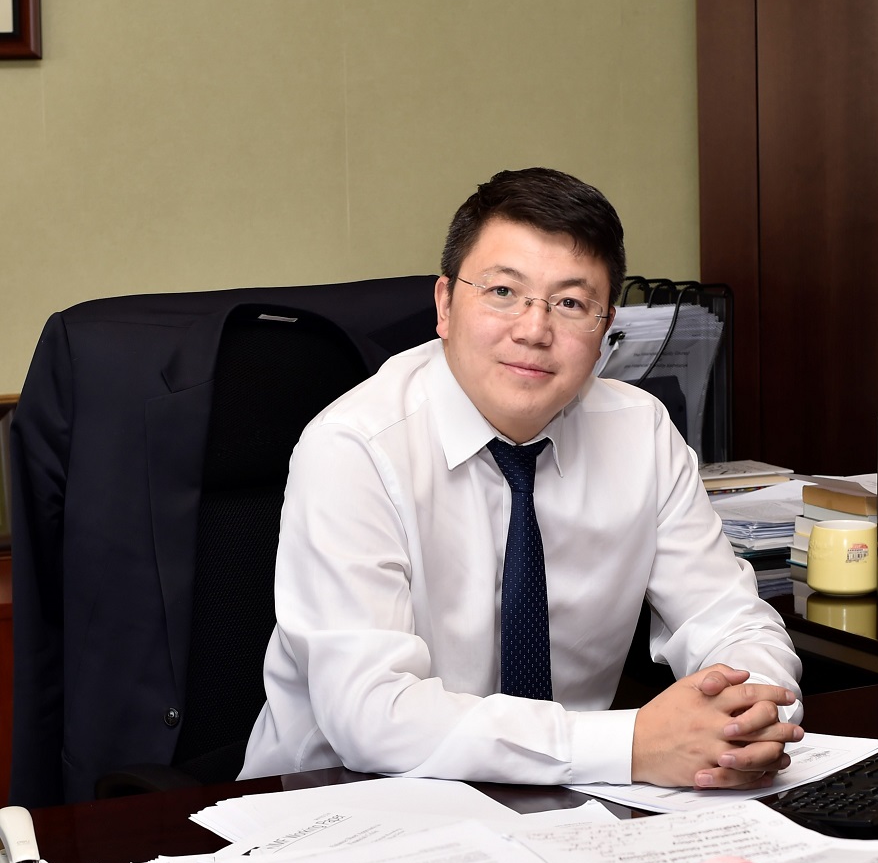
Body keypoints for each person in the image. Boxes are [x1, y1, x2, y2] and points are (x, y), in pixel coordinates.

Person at [240, 167, 803, 790]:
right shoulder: (354, 448)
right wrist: (631, 744)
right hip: (340, 803)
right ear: (445, 305)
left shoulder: (640, 432)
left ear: (605, 329)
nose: (534, 331)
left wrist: (748, 716)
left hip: (562, 804)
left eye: (571, 303)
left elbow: (729, 618)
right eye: (504, 292)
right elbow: (372, 714)